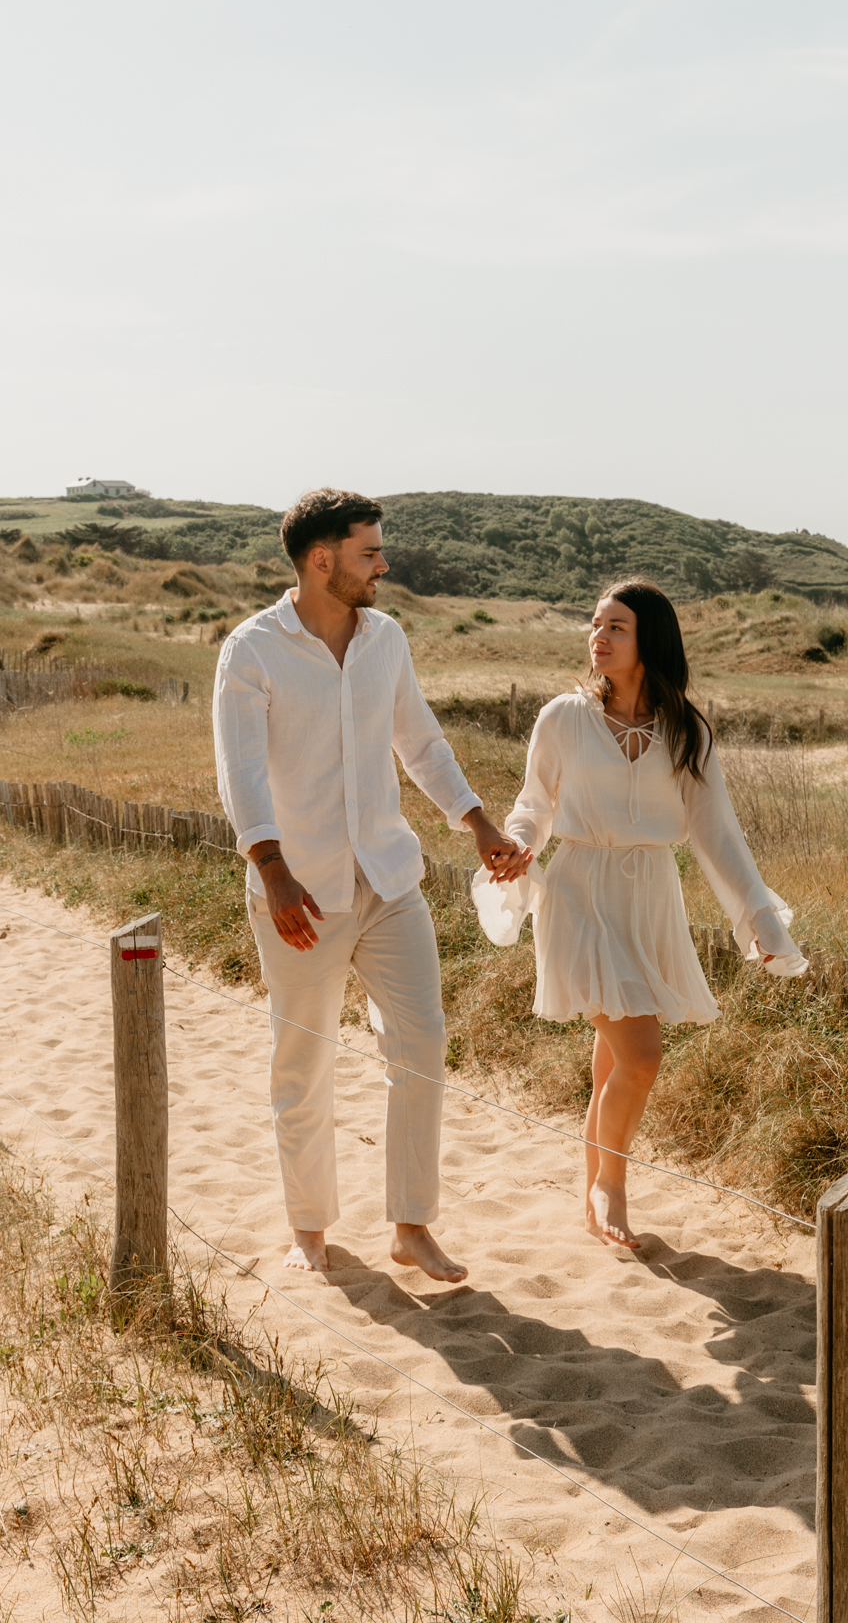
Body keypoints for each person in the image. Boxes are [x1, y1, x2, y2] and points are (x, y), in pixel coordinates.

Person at [213, 488, 529, 1280]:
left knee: (422, 1043)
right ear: (321, 560)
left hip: (390, 880)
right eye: (368, 553)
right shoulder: (251, 651)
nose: (383, 564)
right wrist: (272, 871)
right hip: (301, 894)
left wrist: (479, 824)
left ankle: (411, 1225)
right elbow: (241, 772)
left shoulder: (385, 638)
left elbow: (417, 739)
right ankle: (310, 1229)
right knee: (303, 1060)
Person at [473, 577, 806, 1251]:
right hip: (577, 889)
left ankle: (592, 1186)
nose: (598, 636)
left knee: (614, 1058)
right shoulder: (563, 718)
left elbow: (719, 835)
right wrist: (519, 847)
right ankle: (611, 1188)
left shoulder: (686, 730)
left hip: (650, 894)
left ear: (649, 638)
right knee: (643, 1055)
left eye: (616, 626)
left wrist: (761, 919)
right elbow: (534, 805)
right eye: (595, 624)